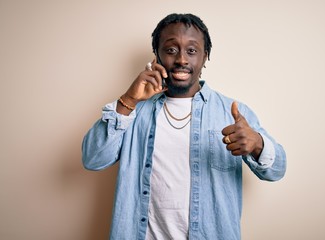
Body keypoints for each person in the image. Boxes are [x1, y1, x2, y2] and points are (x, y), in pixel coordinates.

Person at [82, 13, 286, 240]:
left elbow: (277, 170)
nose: (181, 59)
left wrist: (257, 144)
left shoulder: (232, 112)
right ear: (156, 57)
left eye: (192, 50)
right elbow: (93, 159)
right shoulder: (133, 111)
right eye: (170, 50)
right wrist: (129, 100)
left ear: (205, 56)